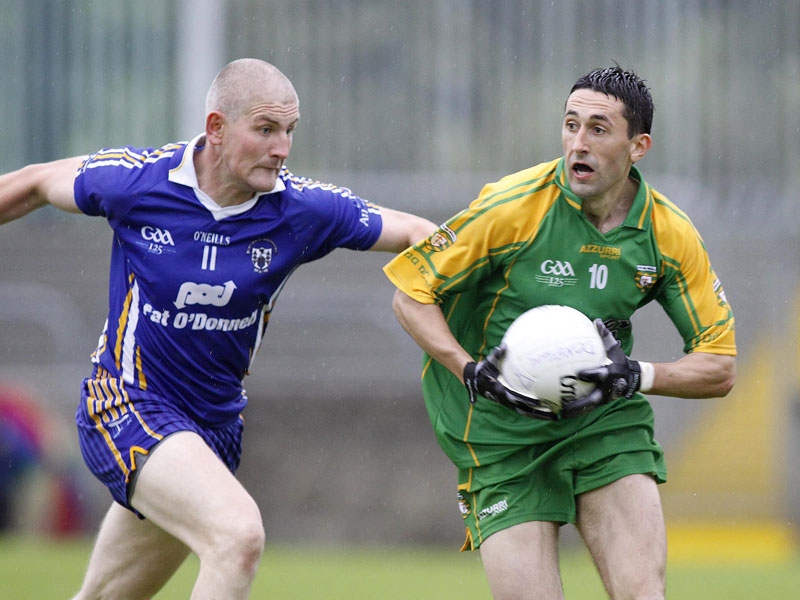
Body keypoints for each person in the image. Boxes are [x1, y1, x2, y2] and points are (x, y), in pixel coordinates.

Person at [0, 58, 436, 600]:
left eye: (290, 131)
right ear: (216, 128)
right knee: (237, 535)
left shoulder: (301, 210)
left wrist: (493, 282)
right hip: (126, 406)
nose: (282, 148)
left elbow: (418, 233)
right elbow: (34, 183)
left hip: (212, 433)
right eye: (266, 129)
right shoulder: (137, 181)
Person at [384, 65, 736, 599]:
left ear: (638, 146)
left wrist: (633, 376)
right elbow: (410, 295)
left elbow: (720, 365)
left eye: (598, 129)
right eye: (571, 125)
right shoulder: (511, 206)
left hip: (604, 422)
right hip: (500, 436)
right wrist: (469, 370)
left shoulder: (668, 234)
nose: (578, 143)